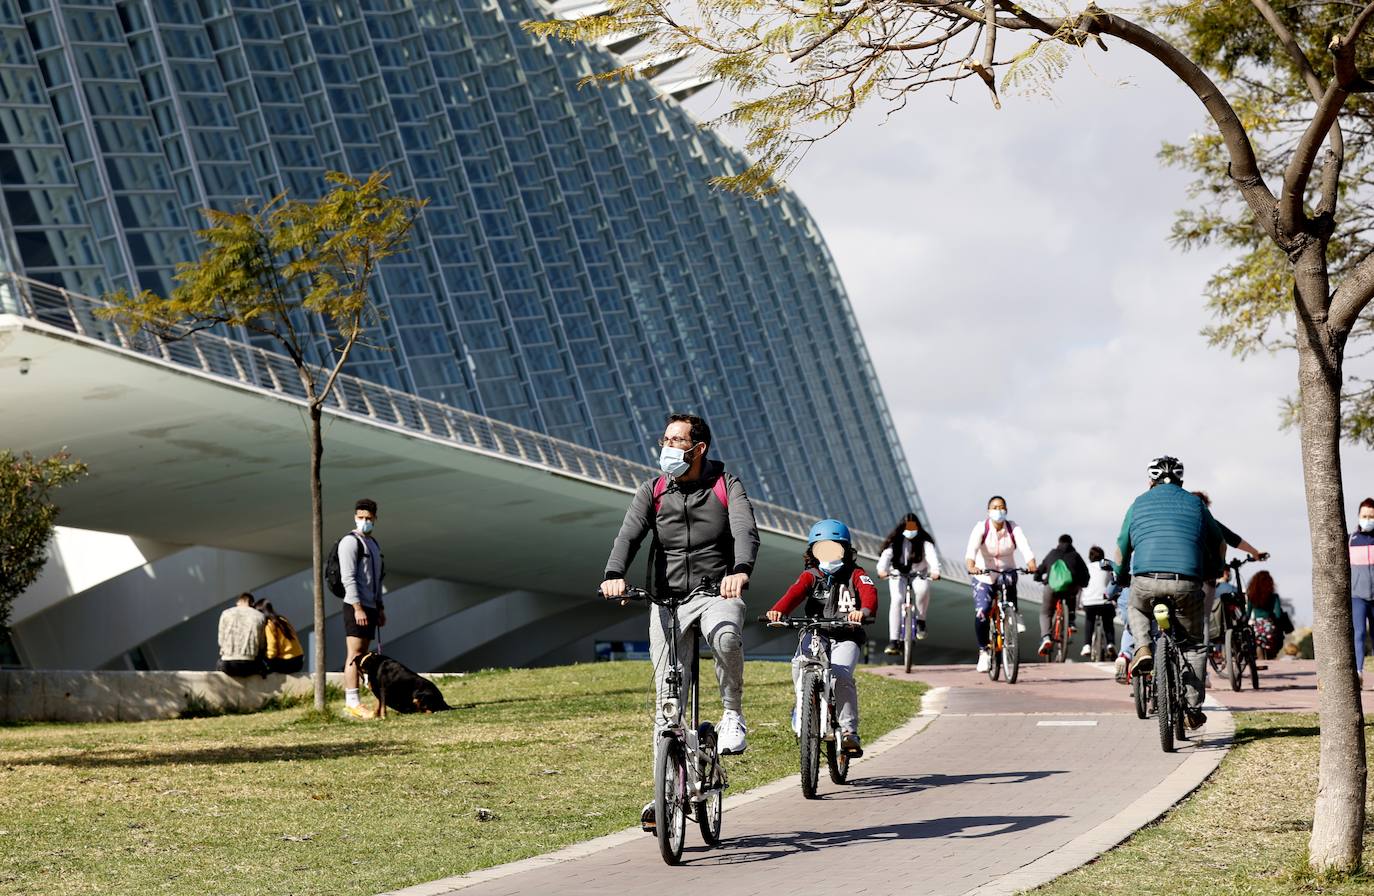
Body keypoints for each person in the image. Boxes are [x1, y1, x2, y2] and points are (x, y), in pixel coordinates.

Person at [600, 413, 759, 832]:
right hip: (667, 599)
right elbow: (629, 535)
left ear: (699, 448)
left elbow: (745, 530)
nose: (668, 447)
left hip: (716, 591)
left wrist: (740, 570)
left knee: (726, 638)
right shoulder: (652, 490)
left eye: (677, 440)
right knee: (668, 697)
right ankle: (665, 791)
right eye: (665, 439)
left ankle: (731, 714)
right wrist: (614, 574)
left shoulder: (727, 485)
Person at [1116, 455, 1224, 731]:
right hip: (1186, 582)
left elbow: (1122, 545)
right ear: (1181, 480)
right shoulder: (1196, 504)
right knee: (1194, 645)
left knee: (1137, 607)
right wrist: (1214, 569)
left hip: (1146, 580)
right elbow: (1219, 541)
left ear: (1150, 480)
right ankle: (1191, 709)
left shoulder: (1138, 503)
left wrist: (1120, 576)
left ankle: (1142, 647)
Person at [766, 519, 878, 757]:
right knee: (799, 665)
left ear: (845, 550)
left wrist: (864, 612)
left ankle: (849, 732)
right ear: (813, 551)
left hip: (846, 636)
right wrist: (779, 610)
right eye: (821, 548)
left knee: (840, 675)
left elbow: (870, 594)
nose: (827, 553)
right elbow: (794, 593)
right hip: (816, 632)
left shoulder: (856, 574)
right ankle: (803, 705)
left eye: (834, 547)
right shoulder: (810, 575)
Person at [964, 496, 1037, 672]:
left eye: (1002, 507)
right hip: (984, 574)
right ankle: (983, 652)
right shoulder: (981, 528)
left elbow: (1025, 547)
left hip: (1006, 570)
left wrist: (1031, 563)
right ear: (988, 511)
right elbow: (971, 551)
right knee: (982, 611)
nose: (999, 510)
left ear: (1006, 510)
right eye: (995, 507)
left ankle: (1014, 613)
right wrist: (971, 566)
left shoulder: (1013, 528)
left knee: (1010, 580)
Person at [1191, 490, 1265, 644]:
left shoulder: (1178, 522)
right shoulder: (1209, 522)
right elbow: (1234, 540)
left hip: (1178, 574)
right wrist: (1255, 553)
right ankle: (1201, 662)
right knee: (1204, 619)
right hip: (1205, 576)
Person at [341, 498, 385, 720]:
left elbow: (376, 579)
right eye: (361, 517)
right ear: (355, 517)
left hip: (370, 606)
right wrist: (357, 608)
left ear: (375, 518)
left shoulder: (373, 544)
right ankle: (352, 702)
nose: (364, 521)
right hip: (355, 605)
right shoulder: (350, 542)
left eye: (368, 518)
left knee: (365, 655)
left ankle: (362, 699)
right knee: (355, 654)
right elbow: (348, 578)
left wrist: (379, 607)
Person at [876, 512, 941, 654]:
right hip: (897, 574)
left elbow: (932, 558)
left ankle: (921, 621)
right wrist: (882, 570)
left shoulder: (925, 542)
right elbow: (885, 558)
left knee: (922, 590)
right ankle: (893, 641)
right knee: (897, 600)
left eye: (913, 528)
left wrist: (935, 571)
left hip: (918, 574)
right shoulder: (895, 542)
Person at [1033, 534, 1090, 657]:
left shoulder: (1052, 553)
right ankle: (1070, 620)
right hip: (1070, 588)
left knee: (1046, 613)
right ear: (1071, 543)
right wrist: (1082, 583)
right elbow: (1085, 573)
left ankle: (1046, 637)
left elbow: (1040, 569)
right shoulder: (1075, 555)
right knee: (1073, 594)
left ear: (1059, 542)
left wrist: (1038, 577)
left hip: (1052, 587)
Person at [1349, 497, 1374, 686]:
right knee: (1358, 634)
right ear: (1358, 516)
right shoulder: (1351, 540)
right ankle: (1358, 673)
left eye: (1371, 516)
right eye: (1364, 516)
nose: (1367, 519)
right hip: (1357, 596)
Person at [1078, 546, 1117, 658]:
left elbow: (1082, 587)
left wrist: (1080, 604)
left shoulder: (1085, 567)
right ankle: (1110, 643)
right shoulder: (1107, 567)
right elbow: (1112, 584)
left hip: (1089, 602)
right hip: (1105, 601)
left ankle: (1086, 645)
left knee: (1089, 620)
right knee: (1108, 621)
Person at [1246, 570, 1292, 660]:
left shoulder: (1251, 597)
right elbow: (1278, 614)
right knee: (1272, 643)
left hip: (1257, 627)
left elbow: (1247, 615)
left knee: (1258, 642)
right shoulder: (1274, 597)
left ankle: (1259, 653)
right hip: (1269, 626)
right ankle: (1269, 656)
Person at [217, 592, 265, 677]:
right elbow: (262, 645)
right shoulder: (260, 616)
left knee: (219, 663)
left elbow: (221, 641)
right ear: (251, 603)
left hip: (228, 665)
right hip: (249, 665)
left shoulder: (225, 613)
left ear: (238, 602)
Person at [254, 599, 305, 674]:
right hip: (299, 660)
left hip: (288, 662)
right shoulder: (282, 619)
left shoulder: (269, 625)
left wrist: (266, 660)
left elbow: (272, 650)